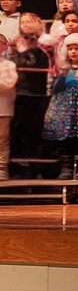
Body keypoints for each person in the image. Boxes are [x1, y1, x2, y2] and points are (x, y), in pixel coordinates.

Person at [43, 33, 78, 180]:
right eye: (70, 49)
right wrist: (61, 77)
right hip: (65, 108)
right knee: (65, 139)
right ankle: (66, 168)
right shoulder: (63, 68)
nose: (73, 52)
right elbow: (55, 90)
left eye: (76, 48)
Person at [11, 14, 50, 160]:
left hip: (38, 94)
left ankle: (34, 163)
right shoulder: (15, 46)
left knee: (36, 131)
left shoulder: (44, 46)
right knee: (18, 130)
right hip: (19, 93)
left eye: (30, 21)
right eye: (23, 22)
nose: (26, 24)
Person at [0, 35, 14, 181]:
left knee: (2, 140)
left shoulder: (9, 65)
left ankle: (2, 168)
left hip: (3, 108)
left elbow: (9, 86)